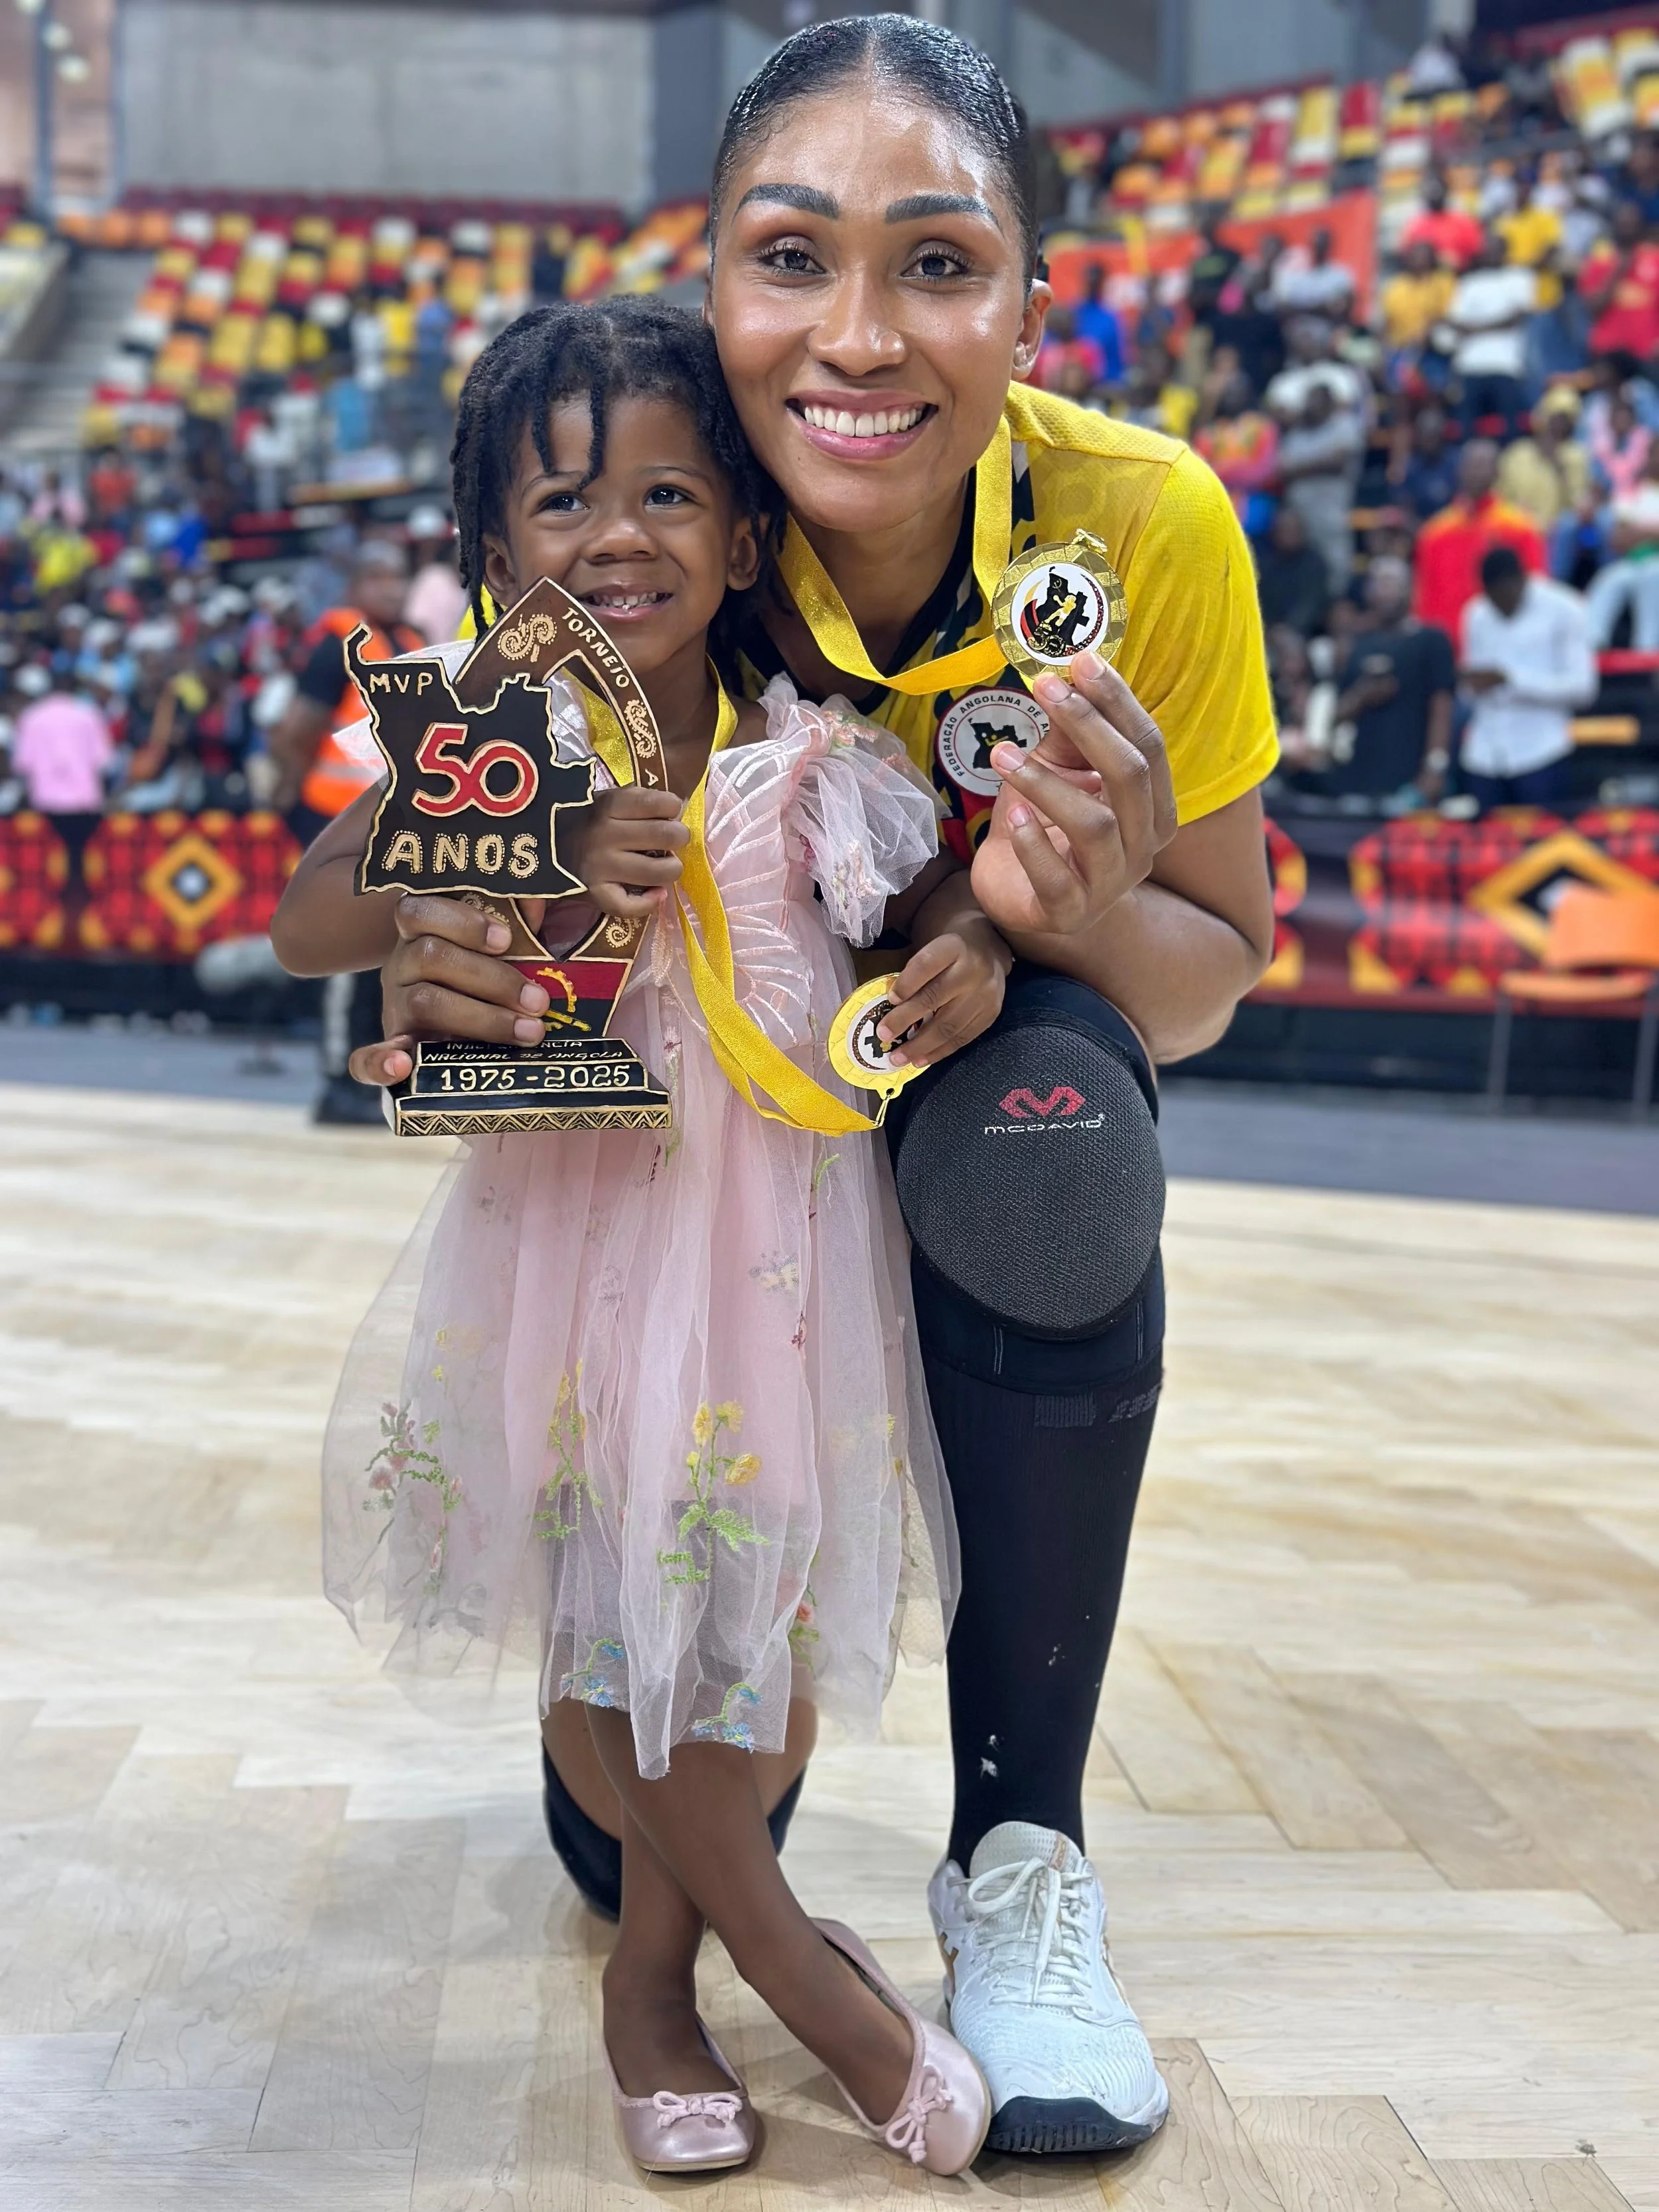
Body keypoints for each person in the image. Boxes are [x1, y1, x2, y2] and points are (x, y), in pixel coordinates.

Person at [351, 18, 1278, 2161]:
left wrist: (1069, 904)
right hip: (695, 1138)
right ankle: (656, 1683)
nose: (857, 335)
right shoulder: (652, 501)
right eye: (793, 258)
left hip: (973, 1062)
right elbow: (448, 878)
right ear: (713, 280)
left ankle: (1021, 1856)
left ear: (1030, 303)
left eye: (935, 264)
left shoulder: (1143, 526)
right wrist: (451, 960)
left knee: (1059, 1140)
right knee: (636, 1837)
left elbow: (1210, 979)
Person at [271, 297, 999, 2181]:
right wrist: (471, 837)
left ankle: (658, 1971)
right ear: (497, 554)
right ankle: (781, 1969)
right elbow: (306, 911)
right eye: (563, 502)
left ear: (747, 533)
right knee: (606, 1621)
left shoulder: (807, 751)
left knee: (748, 1625)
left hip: (771, 1262)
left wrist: (972, 957)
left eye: (671, 491)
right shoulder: (499, 747)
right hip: (570, 1242)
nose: (619, 537)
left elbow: (938, 901)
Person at [269, 537, 423, 1124]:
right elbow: (297, 730)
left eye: (399, 577)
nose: (393, 587)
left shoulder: (408, 642)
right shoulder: (337, 643)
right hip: (335, 820)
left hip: (398, 818)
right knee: (345, 955)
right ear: (358, 583)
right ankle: (337, 1081)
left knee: (384, 947)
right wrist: (291, 808)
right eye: (381, 577)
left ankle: (375, 1074)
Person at [1459, 545, 1595, 808]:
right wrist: (1472, 685)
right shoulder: (1476, 613)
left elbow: (1584, 689)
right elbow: (1471, 686)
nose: (1498, 606)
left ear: (1520, 580)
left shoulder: (1565, 608)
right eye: (1491, 598)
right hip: (1484, 755)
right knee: (1487, 845)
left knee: (1543, 846)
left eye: (1504, 597)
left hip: (1540, 752)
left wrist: (1512, 680)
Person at [1325, 554, 1455, 801]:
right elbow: (1336, 716)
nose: (1387, 591)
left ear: (1409, 589)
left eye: (1393, 582)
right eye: (1380, 583)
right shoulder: (1358, 645)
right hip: (1361, 779)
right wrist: (1363, 695)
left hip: (1412, 778)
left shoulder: (1431, 641)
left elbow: (1442, 705)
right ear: (1369, 591)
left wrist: (1435, 766)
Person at [1413, 439, 1546, 637]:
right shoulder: (1434, 533)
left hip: (1502, 636)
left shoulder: (1521, 528)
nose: (1476, 471)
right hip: (1448, 640)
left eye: (1483, 465)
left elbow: (1536, 588)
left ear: (1497, 473)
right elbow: (1424, 598)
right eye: (1471, 464)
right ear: (1459, 470)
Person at [1276, 382, 1364, 597]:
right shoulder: (1297, 433)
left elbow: (1338, 461)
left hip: (1330, 510)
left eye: (1318, 399)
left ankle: (1336, 602)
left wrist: (1300, 468)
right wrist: (1316, 464)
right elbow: (1282, 469)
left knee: (1335, 565)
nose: (1312, 405)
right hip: (1300, 514)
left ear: (1330, 403)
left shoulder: (1344, 425)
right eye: (1309, 399)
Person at [1448, 232, 1536, 438]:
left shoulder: (1520, 277)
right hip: (1470, 365)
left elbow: (1516, 318)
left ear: (1506, 252)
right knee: (1465, 431)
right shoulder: (1469, 282)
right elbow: (1456, 323)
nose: (1492, 253)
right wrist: (1493, 326)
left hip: (1507, 366)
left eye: (1497, 248)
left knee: (1511, 431)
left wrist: (1475, 329)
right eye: (1488, 249)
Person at [1583, 439, 1659, 648]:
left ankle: (1648, 649)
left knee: (1654, 576)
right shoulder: (1634, 494)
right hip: (1633, 562)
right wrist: (1654, 532)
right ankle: (1593, 643)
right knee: (1609, 579)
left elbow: (1630, 535)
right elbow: (1618, 540)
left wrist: (1639, 531)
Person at [1194, 371, 1279, 534]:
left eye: (1238, 390)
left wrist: (1223, 470)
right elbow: (1201, 474)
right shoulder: (1209, 433)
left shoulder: (1263, 428)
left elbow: (1264, 472)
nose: (1233, 395)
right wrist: (1240, 468)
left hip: (1256, 500)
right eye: (1228, 390)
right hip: (1216, 501)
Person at [1498, 388, 1591, 536]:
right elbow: (1501, 495)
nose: (1559, 424)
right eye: (1555, 417)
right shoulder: (1517, 452)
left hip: (1556, 531)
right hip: (1517, 526)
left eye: (1565, 419)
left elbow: (1578, 504)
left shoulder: (1576, 455)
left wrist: (1559, 468)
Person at [1580, 202, 1659, 366]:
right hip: (1609, 351)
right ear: (1614, 226)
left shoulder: (1654, 258)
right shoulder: (1599, 261)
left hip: (1647, 352)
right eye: (1623, 225)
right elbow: (1594, 308)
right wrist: (1617, 272)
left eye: (1633, 225)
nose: (1628, 229)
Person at [1380, 239, 1456, 386]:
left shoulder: (1443, 282)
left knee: (1435, 383)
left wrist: (1426, 334)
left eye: (1425, 256)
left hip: (1432, 348)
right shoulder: (1396, 286)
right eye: (1416, 256)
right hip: (1402, 348)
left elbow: (1448, 315)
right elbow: (1387, 322)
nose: (1420, 260)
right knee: (1398, 384)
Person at [1256, 503, 1332, 635]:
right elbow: (1259, 600)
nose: (1288, 535)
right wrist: (1272, 628)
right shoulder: (1264, 563)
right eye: (1284, 530)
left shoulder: (1315, 563)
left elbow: (1313, 602)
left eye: (1293, 530)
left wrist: (1291, 629)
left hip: (1309, 631)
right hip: (1268, 631)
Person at [402, 503, 467, 644]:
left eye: (434, 544)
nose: (428, 550)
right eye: (423, 545)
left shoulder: (437, 577)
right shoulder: (422, 577)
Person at [1389, 401, 1460, 522]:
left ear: (1442, 435)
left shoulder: (1457, 463)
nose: (1429, 442)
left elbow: (1463, 505)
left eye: (1433, 436)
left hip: (1452, 528)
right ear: (1419, 437)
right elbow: (1405, 508)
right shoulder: (1409, 468)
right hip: (1419, 528)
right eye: (1426, 436)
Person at [1401, 173, 1484, 273]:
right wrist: (1437, 260)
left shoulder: (1463, 222)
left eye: (1438, 190)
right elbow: (1407, 257)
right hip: (1427, 279)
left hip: (1462, 276)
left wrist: (1460, 262)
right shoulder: (1415, 225)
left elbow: (1477, 254)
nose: (1434, 195)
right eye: (1430, 191)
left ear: (1446, 192)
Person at [1270, 226, 1356, 322]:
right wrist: (1320, 307)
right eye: (1314, 244)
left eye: (1322, 245)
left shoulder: (1340, 275)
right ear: (1308, 244)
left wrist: (1301, 308)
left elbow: (1339, 308)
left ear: (1328, 246)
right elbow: (1283, 305)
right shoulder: (1289, 269)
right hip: (1292, 324)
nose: (1318, 249)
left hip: (1326, 324)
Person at [1070, 262, 1125, 386]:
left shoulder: (1111, 318)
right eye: (1090, 281)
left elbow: (1119, 359)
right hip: (1075, 383)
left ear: (1102, 283)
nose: (1092, 286)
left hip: (1105, 385)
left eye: (1095, 282)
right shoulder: (1074, 313)